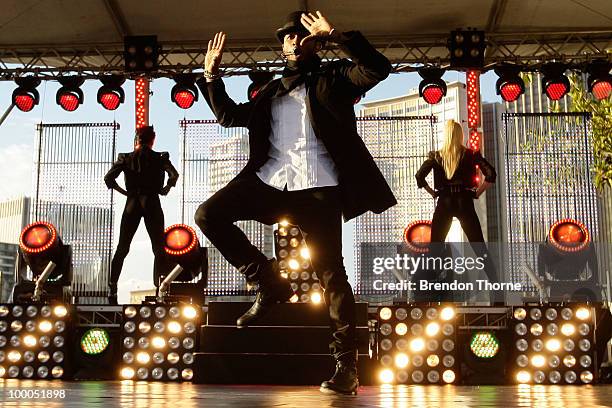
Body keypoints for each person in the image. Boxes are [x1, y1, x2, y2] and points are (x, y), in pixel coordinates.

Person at [194, 10, 395, 395]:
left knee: (331, 273)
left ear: (314, 42)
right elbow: (228, 116)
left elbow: (377, 69)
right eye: (287, 37)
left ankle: (345, 367)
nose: (293, 41)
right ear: (282, 46)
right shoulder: (270, 89)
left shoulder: (334, 78)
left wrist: (337, 35)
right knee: (208, 215)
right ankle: (268, 282)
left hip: (319, 187)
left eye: (301, 36)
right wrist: (211, 77)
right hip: (270, 180)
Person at [415, 120, 500, 300]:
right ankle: (497, 290)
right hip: (464, 200)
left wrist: (433, 193)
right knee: (479, 247)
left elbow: (419, 176)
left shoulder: (436, 156)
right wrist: (477, 192)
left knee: (435, 249)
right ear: (461, 135)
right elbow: (491, 174)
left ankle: (425, 292)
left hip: (444, 201)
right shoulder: (470, 154)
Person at [104, 126, 179, 304]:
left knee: (122, 247)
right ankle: (160, 288)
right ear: (153, 140)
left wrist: (125, 192)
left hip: (132, 202)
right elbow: (174, 174)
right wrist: (166, 188)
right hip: (152, 201)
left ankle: (112, 289)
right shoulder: (160, 157)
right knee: (158, 248)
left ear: (136, 139)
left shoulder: (125, 157)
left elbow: (109, 178)